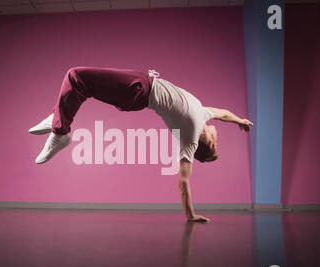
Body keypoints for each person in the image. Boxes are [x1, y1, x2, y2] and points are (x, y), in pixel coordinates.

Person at [29, 67, 253, 223]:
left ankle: (60, 132)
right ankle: (58, 119)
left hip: (138, 91)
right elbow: (223, 113)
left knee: (76, 76)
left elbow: (184, 181)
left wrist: (190, 215)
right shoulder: (203, 114)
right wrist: (240, 121)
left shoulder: (191, 133)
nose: (217, 130)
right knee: (79, 83)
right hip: (143, 82)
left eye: (218, 140)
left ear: (210, 142)